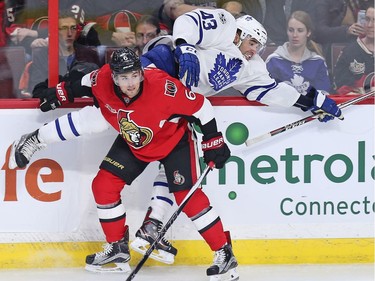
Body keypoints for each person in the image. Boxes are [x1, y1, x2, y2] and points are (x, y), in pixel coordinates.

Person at [29, 8, 344, 268]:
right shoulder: (226, 25)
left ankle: (155, 225)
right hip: (162, 66)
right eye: (252, 44)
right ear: (242, 34)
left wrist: (314, 100)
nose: (254, 52)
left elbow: (273, 92)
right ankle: (62, 96)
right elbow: (187, 21)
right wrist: (187, 48)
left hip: (175, 106)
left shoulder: (251, 67)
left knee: (173, 163)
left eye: (257, 49)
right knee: (104, 111)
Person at [8, 47, 239, 280]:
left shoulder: (164, 87)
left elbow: (202, 107)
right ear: (114, 77)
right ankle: (117, 249)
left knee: (187, 197)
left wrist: (213, 140)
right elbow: (83, 84)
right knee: (103, 186)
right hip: (134, 141)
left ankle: (223, 253)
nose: (130, 83)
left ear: (141, 73)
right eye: (123, 78)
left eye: (134, 75)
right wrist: (61, 92)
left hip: (174, 141)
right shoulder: (102, 78)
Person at [265, 11, 332, 95]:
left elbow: (324, 95)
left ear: (308, 32)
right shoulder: (273, 60)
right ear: (287, 31)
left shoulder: (318, 62)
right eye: (291, 30)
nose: (295, 35)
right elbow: (267, 94)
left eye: (300, 31)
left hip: (311, 108)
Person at [333, 4, 374, 95]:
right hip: (358, 106)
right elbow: (340, 86)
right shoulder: (349, 52)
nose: (370, 25)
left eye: (374, 20)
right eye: (367, 19)